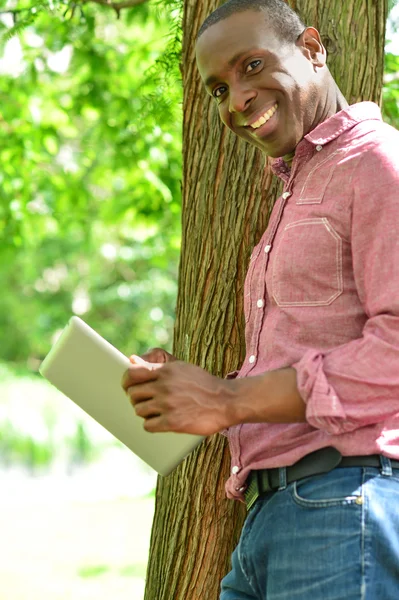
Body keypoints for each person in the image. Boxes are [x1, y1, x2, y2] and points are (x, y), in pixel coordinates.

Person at [122, 0, 399, 597]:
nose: (237, 98)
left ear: (313, 48)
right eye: (217, 89)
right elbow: (310, 349)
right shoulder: (299, 187)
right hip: (270, 520)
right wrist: (193, 389)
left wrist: (229, 399)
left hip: (343, 505)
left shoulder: (377, 162)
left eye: (252, 65)